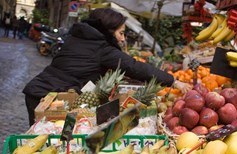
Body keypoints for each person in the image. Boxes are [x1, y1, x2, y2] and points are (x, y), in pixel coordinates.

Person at [22, 8, 192, 126]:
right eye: (121, 33)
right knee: (49, 147)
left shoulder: (81, 38)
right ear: (108, 31)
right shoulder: (101, 48)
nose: (123, 38)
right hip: (50, 99)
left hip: (42, 92)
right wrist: (173, 81)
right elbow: (134, 67)